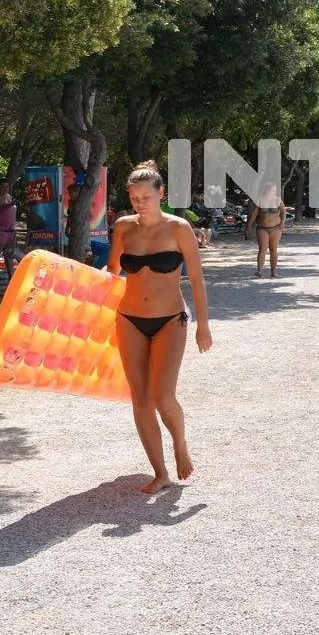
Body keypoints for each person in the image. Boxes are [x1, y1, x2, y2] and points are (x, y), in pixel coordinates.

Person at [108, 161, 212, 494]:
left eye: (146, 197)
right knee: (140, 399)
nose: (140, 203)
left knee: (162, 396)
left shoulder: (179, 228)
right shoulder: (123, 227)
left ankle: (180, 442)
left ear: (161, 194)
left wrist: (203, 326)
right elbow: (111, 272)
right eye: (134, 198)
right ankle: (160, 472)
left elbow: (197, 280)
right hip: (129, 318)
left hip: (170, 319)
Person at [253, 187, 285, 279]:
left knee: (273, 249)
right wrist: (249, 225)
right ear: (266, 190)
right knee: (262, 249)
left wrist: (282, 223)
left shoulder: (278, 200)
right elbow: (254, 213)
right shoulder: (260, 200)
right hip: (262, 227)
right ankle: (260, 270)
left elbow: (283, 212)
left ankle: (273, 272)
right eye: (270, 190)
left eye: (274, 190)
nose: (272, 192)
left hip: (275, 227)